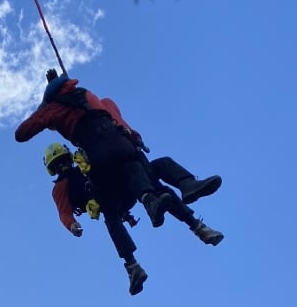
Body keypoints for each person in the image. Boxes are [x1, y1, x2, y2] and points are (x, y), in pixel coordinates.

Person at [16, 69, 222, 234]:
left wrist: (44, 108)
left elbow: (22, 133)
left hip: (102, 163)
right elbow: (116, 117)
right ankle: (187, 193)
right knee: (151, 175)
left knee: (120, 207)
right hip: (121, 143)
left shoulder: (54, 112)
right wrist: (135, 138)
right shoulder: (92, 97)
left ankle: (134, 258)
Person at [43, 142, 224, 295]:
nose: (63, 167)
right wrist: (72, 225)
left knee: (160, 172)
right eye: (59, 165)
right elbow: (64, 212)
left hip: (123, 186)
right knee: (112, 220)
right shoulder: (60, 187)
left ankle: (191, 199)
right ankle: (132, 266)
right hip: (110, 201)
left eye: (64, 162)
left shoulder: (84, 165)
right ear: (54, 170)